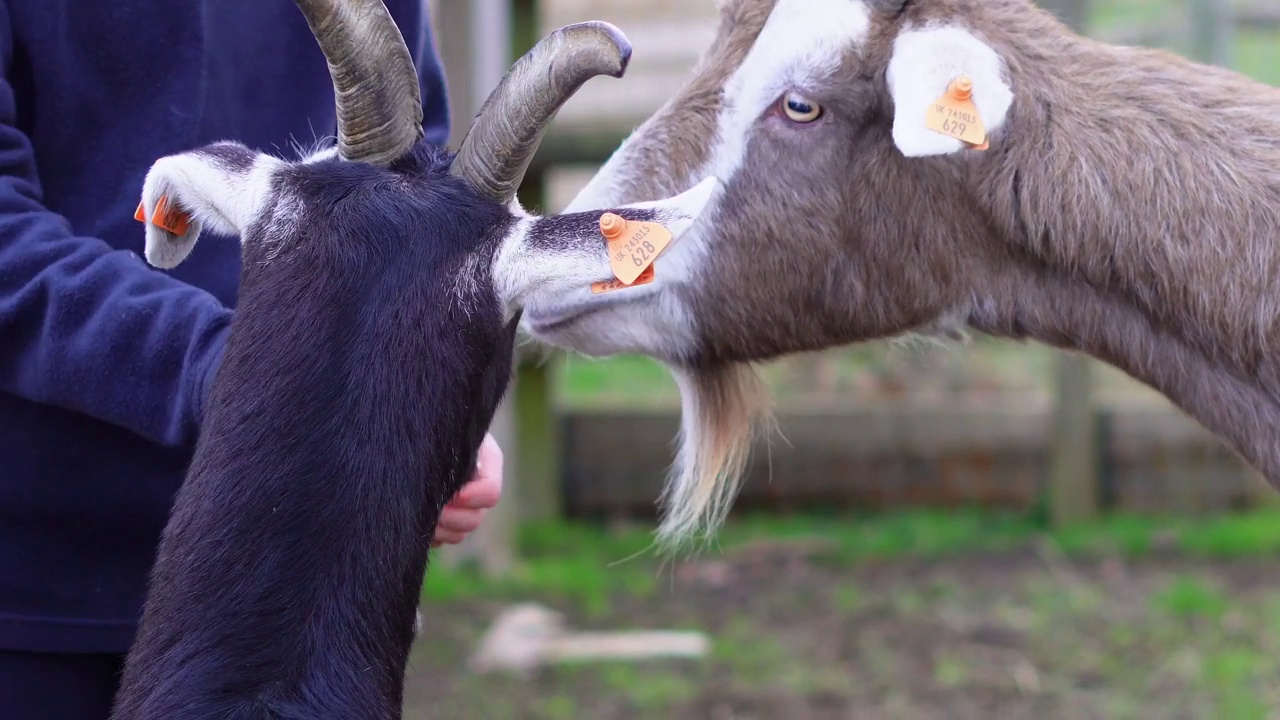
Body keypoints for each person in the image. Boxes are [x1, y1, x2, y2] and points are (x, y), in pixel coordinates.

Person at [0, 1, 502, 716]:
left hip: (302, 596)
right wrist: (253, 374)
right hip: (35, 595)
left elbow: (414, 197)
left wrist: (426, 417)